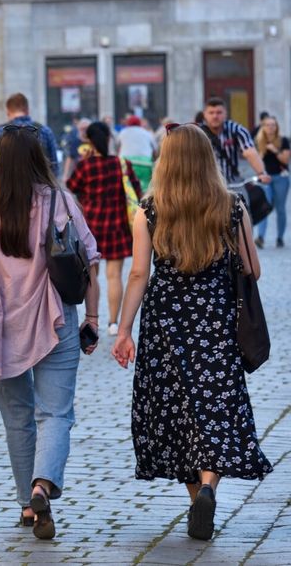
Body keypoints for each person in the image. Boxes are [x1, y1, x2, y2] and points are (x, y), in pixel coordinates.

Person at [110, 124, 273, 541]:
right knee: (217, 408)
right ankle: (207, 488)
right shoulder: (232, 207)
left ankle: (195, 499)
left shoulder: (147, 211)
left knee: (178, 414)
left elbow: (139, 275)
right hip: (217, 324)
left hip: (166, 327)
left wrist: (123, 330)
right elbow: (253, 270)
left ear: (166, 161)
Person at [0, 124, 102, 540]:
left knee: (17, 419)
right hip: (56, 320)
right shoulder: (61, 201)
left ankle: (27, 505)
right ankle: (43, 485)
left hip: (3, 328)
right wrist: (93, 318)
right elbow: (88, 261)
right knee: (55, 414)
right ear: (41, 158)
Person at [65, 121, 141, 337]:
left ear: (89, 140)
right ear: (109, 139)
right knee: (114, 276)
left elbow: (70, 187)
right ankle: (113, 323)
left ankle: (92, 319)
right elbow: (135, 190)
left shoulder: (85, 166)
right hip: (117, 225)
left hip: (91, 227)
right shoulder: (121, 163)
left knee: (92, 276)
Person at [0, 93, 60, 178]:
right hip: (41, 186)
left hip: (8, 188)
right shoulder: (45, 131)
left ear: (8, 112)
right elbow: (54, 167)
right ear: (28, 110)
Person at [201, 97, 269, 187]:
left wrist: (261, 173)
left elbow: (250, 152)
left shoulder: (236, 129)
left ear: (226, 113)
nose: (215, 116)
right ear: (204, 114)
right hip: (206, 185)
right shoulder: (197, 133)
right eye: (211, 113)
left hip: (232, 184)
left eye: (219, 112)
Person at [253, 113, 289, 248]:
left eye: (273, 125)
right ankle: (260, 237)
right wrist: (263, 150)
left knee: (280, 209)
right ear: (263, 126)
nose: (270, 128)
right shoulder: (258, 141)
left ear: (277, 127)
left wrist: (274, 150)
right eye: (267, 125)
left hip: (281, 178)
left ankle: (280, 237)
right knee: (264, 207)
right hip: (265, 178)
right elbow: (255, 160)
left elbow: (285, 160)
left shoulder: (283, 141)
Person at [117, 115, 156, 193]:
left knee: (127, 186)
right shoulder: (146, 133)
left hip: (126, 162)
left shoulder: (123, 132)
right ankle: (142, 203)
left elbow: (117, 146)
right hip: (145, 163)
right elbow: (155, 148)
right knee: (145, 188)